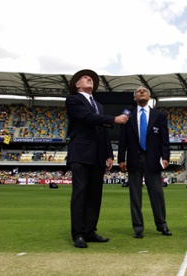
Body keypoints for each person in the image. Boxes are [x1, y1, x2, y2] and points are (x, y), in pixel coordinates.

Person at [65, 69, 129, 248]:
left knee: (95, 195)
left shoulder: (99, 105)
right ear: (77, 85)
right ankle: (78, 234)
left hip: (98, 156)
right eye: (85, 78)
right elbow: (87, 118)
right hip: (80, 153)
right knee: (80, 193)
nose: (89, 79)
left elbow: (103, 131)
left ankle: (90, 231)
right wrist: (113, 119)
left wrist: (109, 154)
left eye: (91, 78)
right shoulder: (73, 100)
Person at [118, 86, 172, 239]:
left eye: (144, 91)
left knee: (157, 193)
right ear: (134, 98)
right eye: (138, 91)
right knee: (135, 195)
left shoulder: (159, 115)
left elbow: (164, 139)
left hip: (153, 159)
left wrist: (165, 157)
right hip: (134, 159)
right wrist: (121, 158)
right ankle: (138, 228)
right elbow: (123, 139)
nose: (141, 92)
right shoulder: (127, 115)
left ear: (149, 97)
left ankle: (162, 225)